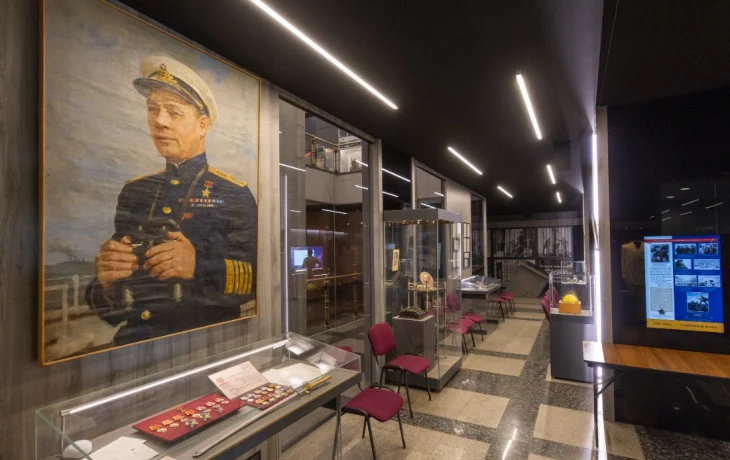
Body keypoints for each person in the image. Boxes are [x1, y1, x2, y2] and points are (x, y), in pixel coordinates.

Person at [86, 56, 257, 346]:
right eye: (153, 109)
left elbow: (254, 280)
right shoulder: (135, 191)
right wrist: (107, 282)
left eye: (174, 112)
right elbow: (114, 305)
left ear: (202, 125)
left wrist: (196, 267)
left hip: (206, 342)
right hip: (134, 344)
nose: (159, 122)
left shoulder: (234, 193)